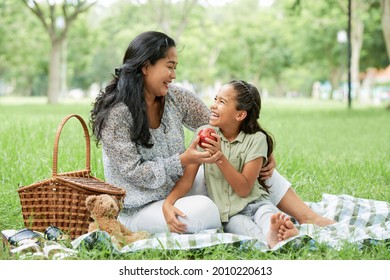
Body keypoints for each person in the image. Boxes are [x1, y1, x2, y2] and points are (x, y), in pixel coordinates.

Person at [90, 31, 333, 235]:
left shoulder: (174, 97)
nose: (174, 76)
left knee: (252, 167)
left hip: (178, 188)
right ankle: (255, 225)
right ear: (145, 67)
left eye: (175, 68)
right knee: (204, 211)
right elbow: (134, 173)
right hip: (140, 206)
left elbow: (223, 122)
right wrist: (184, 160)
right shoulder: (117, 114)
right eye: (169, 67)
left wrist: (262, 154)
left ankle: (309, 217)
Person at [162, 80, 299, 248]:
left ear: (240, 115)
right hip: (231, 215)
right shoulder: (204, 134)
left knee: (267, 216)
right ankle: (274, 238)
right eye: (215, 99)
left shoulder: (256, 139)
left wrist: (219, 157)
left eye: (222, 102)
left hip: (257, 202)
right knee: (246, 232)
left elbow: (244, 189)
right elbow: (187, 179)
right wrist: (168, 203)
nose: (213, 106)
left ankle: (278, 229)